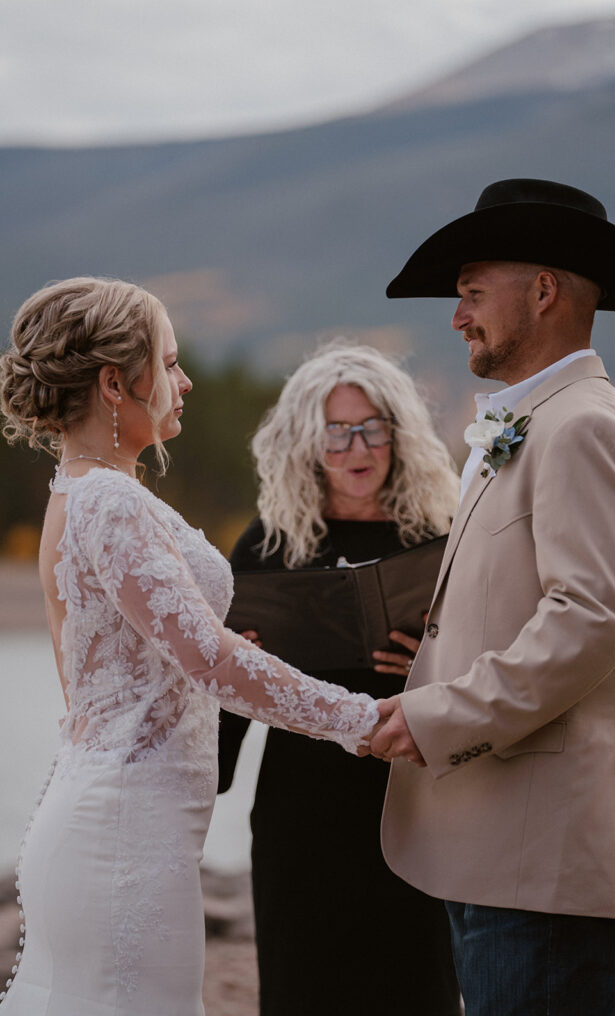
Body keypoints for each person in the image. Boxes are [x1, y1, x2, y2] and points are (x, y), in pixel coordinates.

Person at [0, 278, 383, 1016]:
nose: (185, 381)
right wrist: (361, 721)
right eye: (168, 363)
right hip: (123, 832)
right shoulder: (109, 500)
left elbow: (166, 657)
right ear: (116, 383)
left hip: (116, 815)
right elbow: (208, 661)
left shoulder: (81, 490)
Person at [370, 178, 615, 1016]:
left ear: (542, 292)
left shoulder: (584, 426)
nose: (456, 315)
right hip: (500, 845)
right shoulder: (536, 421)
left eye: (471, 293)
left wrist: (440, 715)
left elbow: (592, 617)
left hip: (543, 865)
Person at [218, 342, 462, 1016]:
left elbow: (487, 671)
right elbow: (224, 696)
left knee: (418, 989)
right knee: (305, 989)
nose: (357, 446)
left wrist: (432, 663)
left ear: (398, 433)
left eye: (371, 427)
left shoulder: (438, 537)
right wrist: (240, 669)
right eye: (335, 431)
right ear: (304, 443)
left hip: (414, 806)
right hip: (301, 811)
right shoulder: (269, 544)